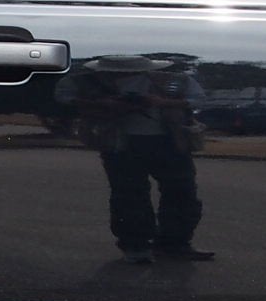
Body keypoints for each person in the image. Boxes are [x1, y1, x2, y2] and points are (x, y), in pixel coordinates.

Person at [70, 55, 214, 263]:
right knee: (129, 195)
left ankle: (174, 244)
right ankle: (136, 246)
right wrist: (105, 104)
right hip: (120, 143)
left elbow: (199, 99)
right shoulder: (88, 83)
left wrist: (162, 102)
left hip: (168, 141)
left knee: (181, 192)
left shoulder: (172, 82)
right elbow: (65, 99)